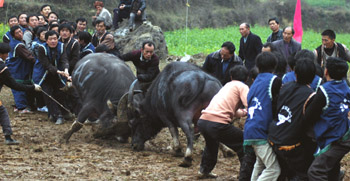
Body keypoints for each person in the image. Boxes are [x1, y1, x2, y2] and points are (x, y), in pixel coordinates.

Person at [268, 58, 316, 180]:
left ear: (295, 74)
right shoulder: (311, 95)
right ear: (313, 76)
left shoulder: (285, 86)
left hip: (273, 137)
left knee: (283, 171)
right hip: (290, 144)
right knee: (304, 173)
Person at [197, 65, 248, 179]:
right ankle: (246, 175)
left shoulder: (226, 86)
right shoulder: (242, 86)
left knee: (211, 145)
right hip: (217, 124)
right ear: (246, 77)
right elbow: (249, 104)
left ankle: (204, 170)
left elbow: (233, 111)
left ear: (231, 76)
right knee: (243, 143)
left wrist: (244, 112)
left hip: (203, 121)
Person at [305, 57, 350, 180]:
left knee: (315, 172)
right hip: (344, 132)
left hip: (336, 138)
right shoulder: (345, 87)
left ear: (326, 71)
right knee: (331, 164)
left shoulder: (325, 90)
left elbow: (309, 115)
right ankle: (336, 176)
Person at [244, 52, 281, 181]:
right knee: (274, 169)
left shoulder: (254, 83)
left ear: (258, 66)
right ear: (274, 65)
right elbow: (277, 106)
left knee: (260, 164)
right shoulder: (274, 80)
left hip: (250, 129)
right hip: (261, 130)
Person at [0, 43, 42, 145]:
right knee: (2, 113)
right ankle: (8, 137)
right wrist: (32, 87)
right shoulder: (2, 67)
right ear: (2, 54)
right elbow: (14, 85)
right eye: (7, 53)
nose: (8, 56)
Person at [37, 30, 70, 125]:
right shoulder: (42, 48)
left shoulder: (61, 46)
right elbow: (46, 64)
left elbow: (64, 59)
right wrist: (59, 71)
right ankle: (58, 115)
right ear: (46, 41)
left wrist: (66, 70)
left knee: (61, 92)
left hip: (58, 76)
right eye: (50, 39)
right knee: (48, 95)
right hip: (44, 75)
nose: (53, 41)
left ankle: (62, 112)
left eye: (55, 39)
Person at [7, 26, 36, 113]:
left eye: (20, 31)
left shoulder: (18, 42)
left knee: (22, 86)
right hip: (17, 68)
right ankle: (21, 107)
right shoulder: (18, 45)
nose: (20, 34)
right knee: (18, 86)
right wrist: (38, 63)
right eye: (17, 33)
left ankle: (22, 105)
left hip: (19, 68)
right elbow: (29, 57)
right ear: (13, 35)